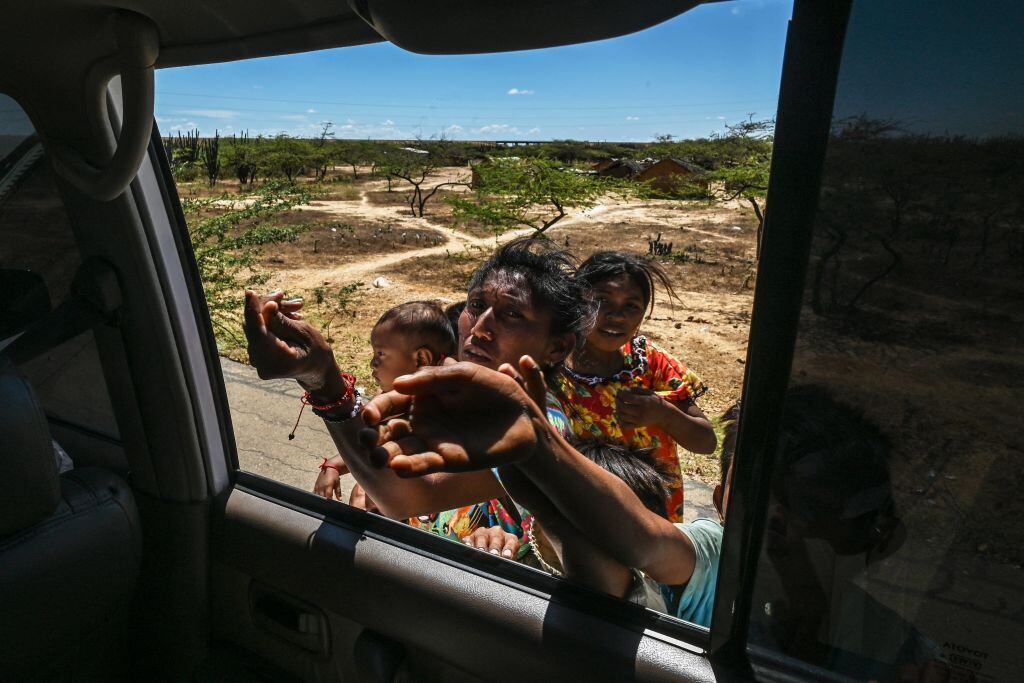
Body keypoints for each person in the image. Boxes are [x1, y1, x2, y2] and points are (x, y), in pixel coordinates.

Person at [557, 251, 716, 521]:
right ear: (577, 302)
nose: (616, 316)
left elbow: (706, 442)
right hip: (581, 513)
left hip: (652, 518)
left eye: (631, 306)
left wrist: (664, 413)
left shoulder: (650, 362)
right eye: (601, 301)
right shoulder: (552, 366)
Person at [312, 300, 454, 505]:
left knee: (361, 496)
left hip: (416, 506)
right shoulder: (388, 397)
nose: (372, 363)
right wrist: (334, 464)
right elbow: (370, 445)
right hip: (390, 492)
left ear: (422, 359)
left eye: (381, 354)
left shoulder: (436, 406)